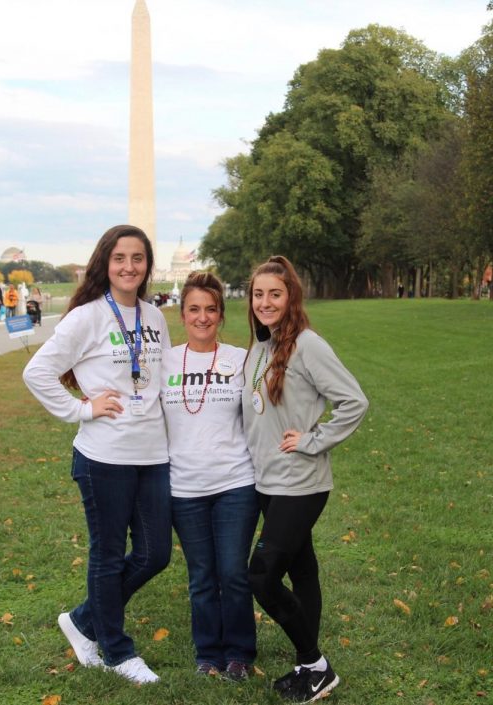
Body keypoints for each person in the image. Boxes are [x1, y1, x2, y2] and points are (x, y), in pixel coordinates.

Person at [23, 224, 172, 685]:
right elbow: (37, 371)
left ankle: (85, 619)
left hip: (153, 454)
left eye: (138, 258)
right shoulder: (87, 317)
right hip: (104, 457)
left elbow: (163, 381)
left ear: (147, 265)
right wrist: (82, 408)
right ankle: (116, 650)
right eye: (120, 258)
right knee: (107, 556)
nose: (129, 267)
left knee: (155, 554)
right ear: (105, 264)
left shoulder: (155, 317)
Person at [241, 255, 369, 703]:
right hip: (267, 483)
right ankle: (306, 668)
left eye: (275, 293)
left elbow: (354, 401)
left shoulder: (307, 345)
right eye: (258, 294)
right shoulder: (260, 346)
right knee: (302, 569)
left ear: (291, 296)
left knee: (261, 577)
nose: (265, 301)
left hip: (301, 482)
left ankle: (316, 664)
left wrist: (314, 440)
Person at [160, 271, 259, 681]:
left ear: (221, 315)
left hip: (236, 482)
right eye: (194, 309)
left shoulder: (240, 358)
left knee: (234, 572)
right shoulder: (163, 361)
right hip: (184, 487)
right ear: (182, 314)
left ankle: (238, 653)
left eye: (211, 309)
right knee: (201, 577)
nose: (203, 317)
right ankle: (208, 653)